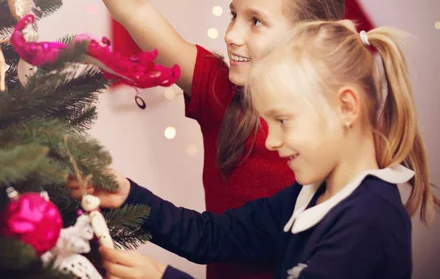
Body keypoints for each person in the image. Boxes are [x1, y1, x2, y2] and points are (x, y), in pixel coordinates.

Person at [7, 0, 346, 277]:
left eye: (256, 21)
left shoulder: (339, 149)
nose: (232, 34)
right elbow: (135, 9)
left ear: (310, 36)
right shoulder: (225, 90)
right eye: (233, 15)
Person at [71, 21, 440, 279]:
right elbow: (213, 236)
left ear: (346, 107)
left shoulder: (369, 218)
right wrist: (129, 196)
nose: (271, 140)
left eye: (283, 121)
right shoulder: (307, 196)